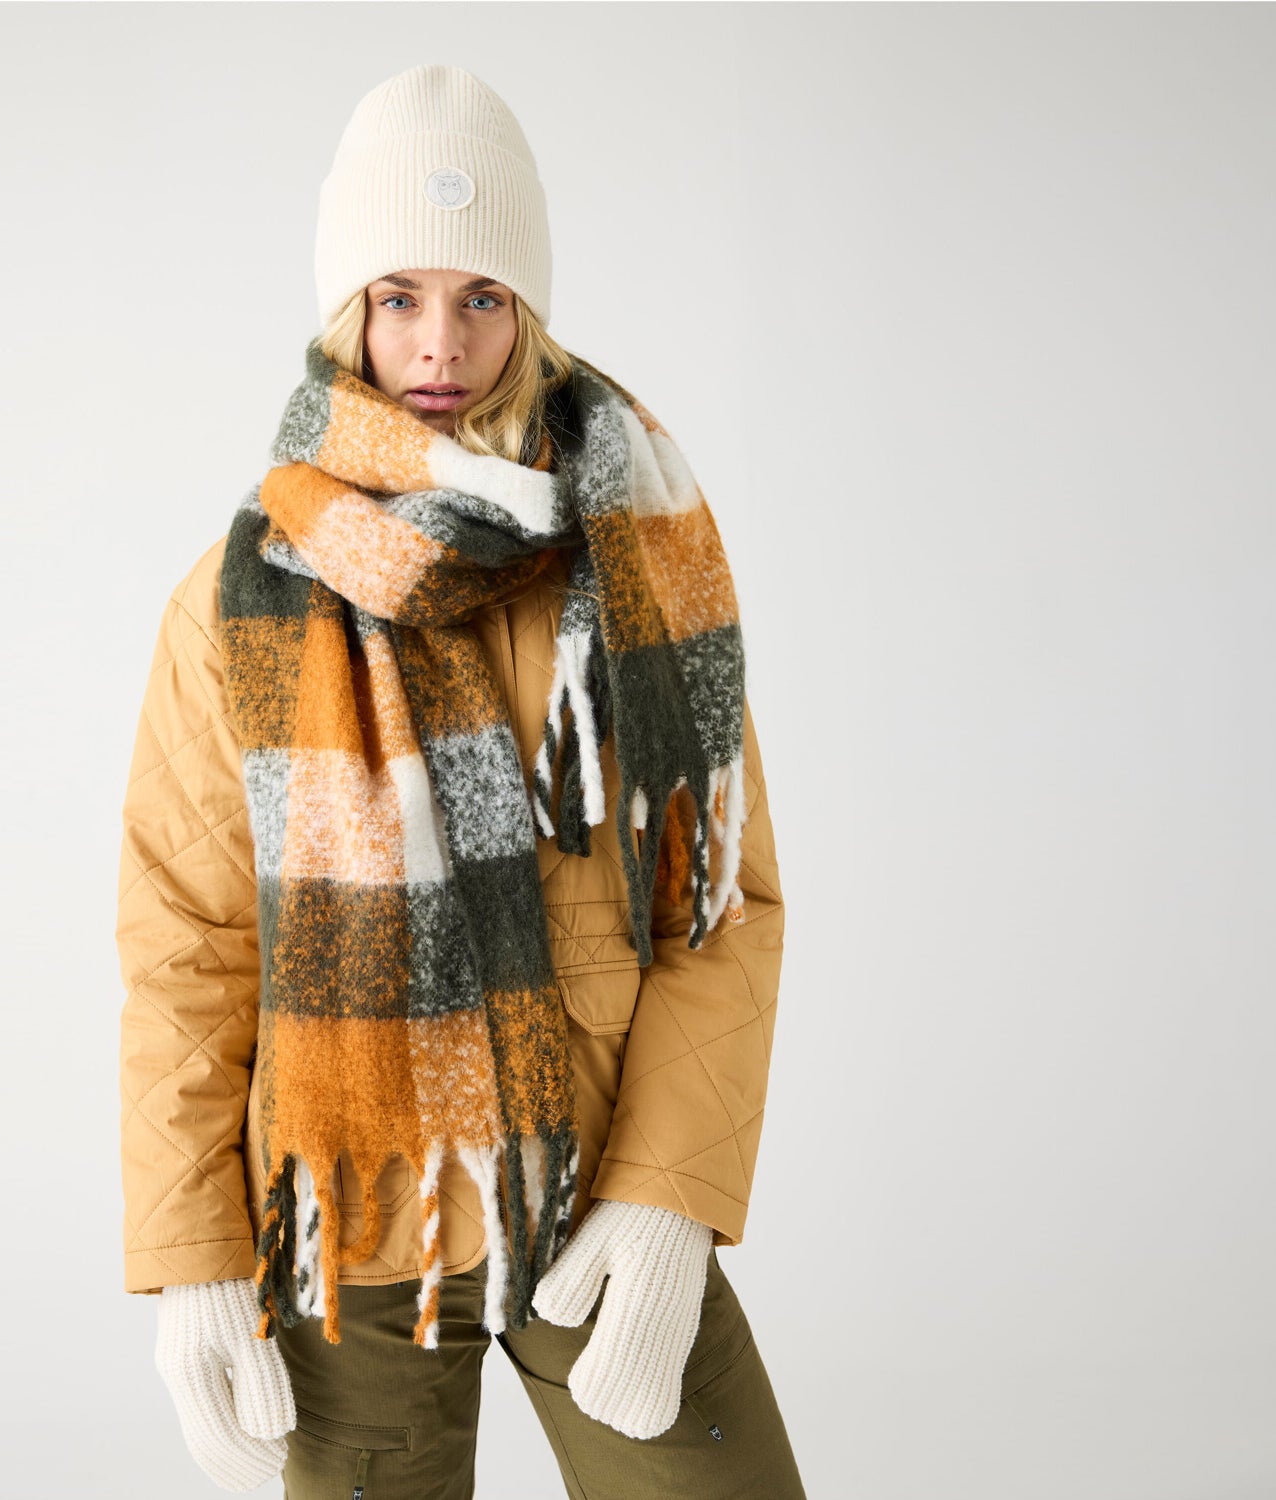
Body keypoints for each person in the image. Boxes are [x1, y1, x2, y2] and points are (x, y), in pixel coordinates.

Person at [116, 62, 806, 1500]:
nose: (440, 341)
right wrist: (194, 1262)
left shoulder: (642, 548)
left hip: (591, 1190)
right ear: (349, 311)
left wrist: (669, 1201)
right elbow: (191, 949)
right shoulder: (238, 597)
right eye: (399, 296)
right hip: (356, 1210)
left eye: (482, 296)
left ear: (529, 308)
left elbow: (719, 902)